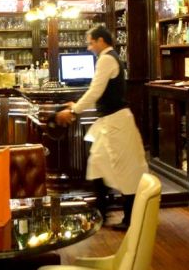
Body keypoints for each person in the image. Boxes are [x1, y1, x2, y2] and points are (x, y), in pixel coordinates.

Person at [56, 25, 148, 230]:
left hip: (117, 123)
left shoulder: (106, 59)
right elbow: (98, 91)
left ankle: (130, 220)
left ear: (101, 41)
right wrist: (76, 106)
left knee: (126, 172)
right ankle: (100, 213)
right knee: (97, 164)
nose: (89, 48)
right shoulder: (110, 57)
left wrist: (74, 110)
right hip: (110, 122)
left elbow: (95, 91)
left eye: (91, 43)